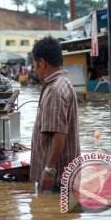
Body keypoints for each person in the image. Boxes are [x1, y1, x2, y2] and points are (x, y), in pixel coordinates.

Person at [30, 36, 80, 192]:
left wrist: (49, 170)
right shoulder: (62, 83)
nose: (34, 69)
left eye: (34, 64)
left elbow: (59, 134)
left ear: (42, 63)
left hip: (56, 180)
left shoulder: (55, 91)